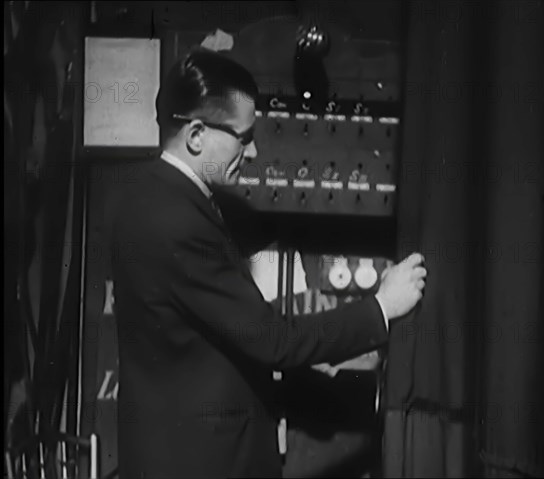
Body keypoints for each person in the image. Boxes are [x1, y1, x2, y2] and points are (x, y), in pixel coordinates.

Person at [111, 47, 427, 478]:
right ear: (197, 134)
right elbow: (273, 340)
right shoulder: (178, 221)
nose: (256, 151)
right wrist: (381, 308)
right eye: (244, 137)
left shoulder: (146, 195)